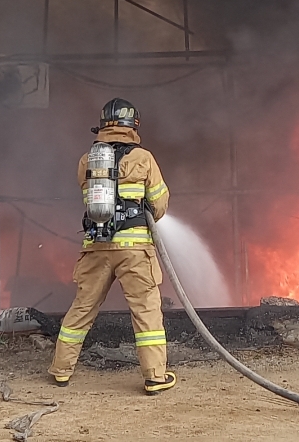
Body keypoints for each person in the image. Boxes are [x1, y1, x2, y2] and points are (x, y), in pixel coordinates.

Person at [48, 98, 176, 394]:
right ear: (133, 126)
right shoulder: (143, 158)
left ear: (103, 124)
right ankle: (155, 376)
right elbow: (159, 204)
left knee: (82, 308)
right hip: (134, 250)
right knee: (146, 310)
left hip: (95, 246)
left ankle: (61, 370)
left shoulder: (87, 160)